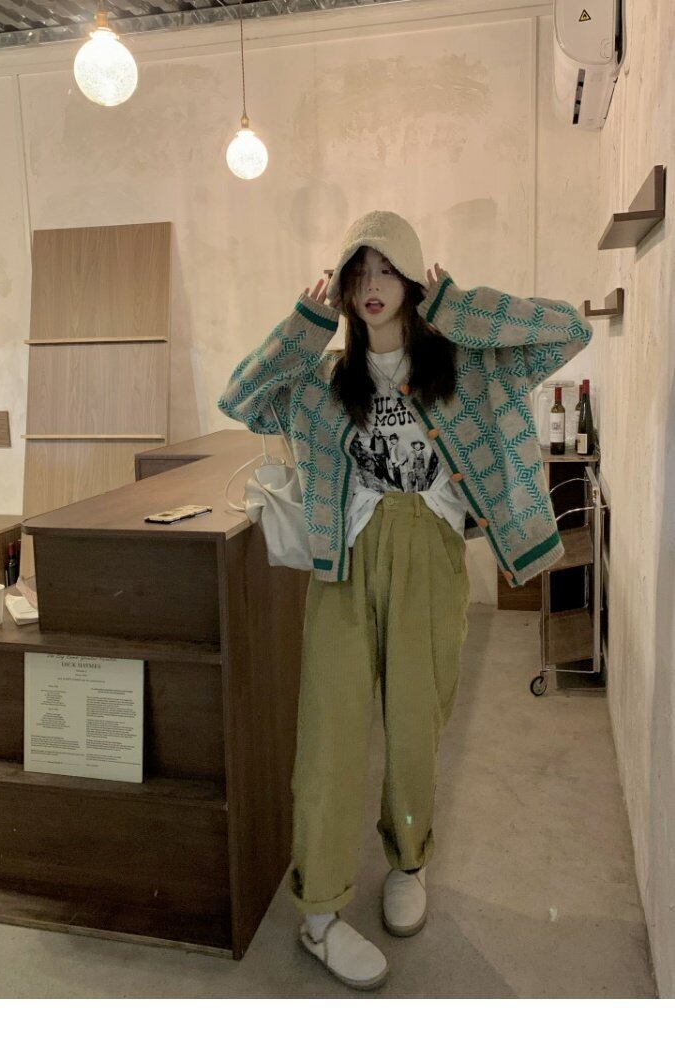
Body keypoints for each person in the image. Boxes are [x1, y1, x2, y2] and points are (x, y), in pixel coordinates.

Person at [217, 210, 593, 990]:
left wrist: (462, 308)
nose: (372, 286)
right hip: (346, 560)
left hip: (431, 551)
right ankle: (320, 910)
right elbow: (241, 398)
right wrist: (302, 327)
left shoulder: (464, 364)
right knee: (329, 732)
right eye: (358, 271)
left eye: (387, 269)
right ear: (342, 288)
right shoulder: (325, 380)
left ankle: (408, 860)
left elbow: (568, 330)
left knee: (417, 722)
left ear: (415, 279)